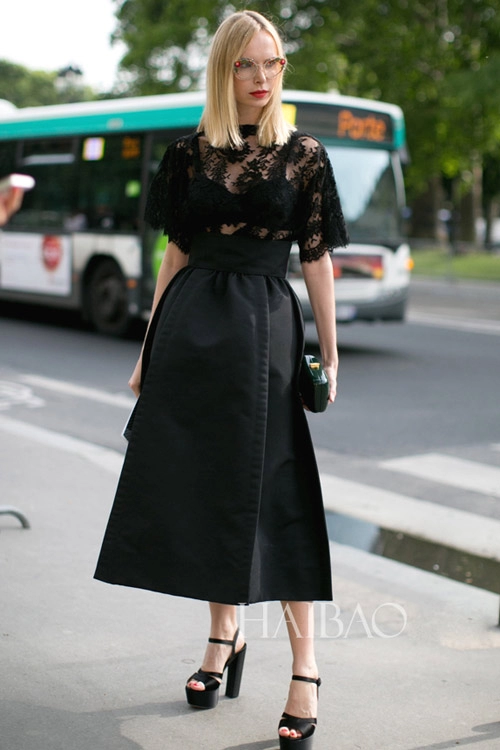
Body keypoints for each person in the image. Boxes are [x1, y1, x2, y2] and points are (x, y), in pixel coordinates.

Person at [94, 9, 348, 748]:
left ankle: (305, 668)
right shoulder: (187, 155)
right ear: (223, 70)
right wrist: (147, 350)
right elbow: (175, 256)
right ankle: (223, 636)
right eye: (247, 64)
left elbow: (316, 259)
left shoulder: (304, 155)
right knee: (207, 486)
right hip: (190, 327)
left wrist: (329, 356)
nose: (262, 77)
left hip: (265, 329)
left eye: (273, 63)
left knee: (275, 490)